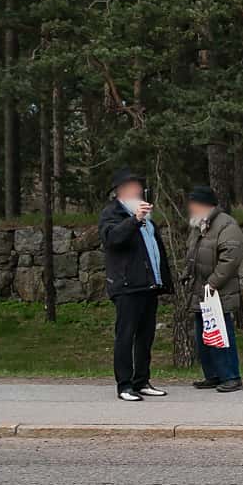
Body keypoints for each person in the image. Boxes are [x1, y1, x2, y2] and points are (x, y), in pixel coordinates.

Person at [99, 169, 173, 401]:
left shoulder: (145, 217)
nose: (138, 190)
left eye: (139, 186)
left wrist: (161, 280)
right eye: (132, 186)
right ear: (119, 191)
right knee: (125, 335)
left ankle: (142, 380)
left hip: (147, 285)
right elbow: (113, 239)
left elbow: (153, 250)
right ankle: (124, 385)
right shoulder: (112, 213)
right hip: (126, 285)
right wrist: (135, 220)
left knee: (145, 336)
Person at [184, 186, 243, 392]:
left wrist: (213, 282)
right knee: (203, 334)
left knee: (221, 332)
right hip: (201, 290)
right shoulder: (198, 226)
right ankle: (213, 374)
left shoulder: (227, 225)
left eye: (193, 203)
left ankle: (231, 376)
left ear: (204, 204)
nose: (190, 208)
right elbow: (193, 253)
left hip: (218, 291)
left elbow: (230, 257)